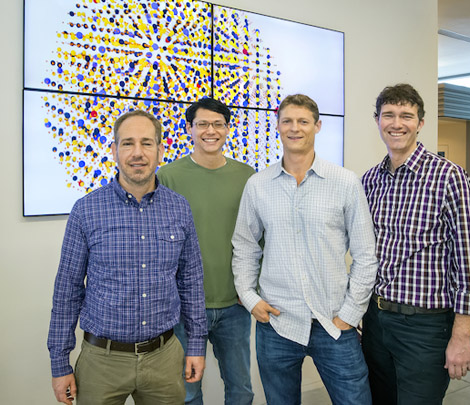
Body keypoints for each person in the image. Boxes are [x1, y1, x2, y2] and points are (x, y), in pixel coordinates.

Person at [48, 110, 208, 405]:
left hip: (165, 358)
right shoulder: (86, 210)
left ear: (161, 150)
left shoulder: (179, 209)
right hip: (101, 362)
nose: (138, 153)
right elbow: (67, 291)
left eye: (147, 143)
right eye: (128, 143)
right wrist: (60, 364)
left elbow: (191, 281)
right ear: (114, 150)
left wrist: (197, 344)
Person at [232, 94, 378, 405]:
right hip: (277, 323)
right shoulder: (258, 185)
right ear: (277, 126)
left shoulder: (345, 182)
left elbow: (366, 255)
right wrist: (249, 297)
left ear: (317, 126)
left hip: (334, 323)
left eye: (303, 121)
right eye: (287, 121)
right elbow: (245, 246)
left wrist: (350, 314)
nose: (294, 128)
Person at [361, 83, 470, 405]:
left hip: (424, 328)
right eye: (389, 115)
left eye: (406, 116)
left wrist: (461, 337)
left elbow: (469, 262)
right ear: (378, 121)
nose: (397, 123)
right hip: (376, 322)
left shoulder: (450, 178)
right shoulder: (369, 180)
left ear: (420, 123)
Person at [157, 97, 255, 405]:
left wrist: (252, 288)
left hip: (235, 305)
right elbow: (157, 242)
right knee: (187, 393)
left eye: (218, 124)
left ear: (228, 129)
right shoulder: (168, 177)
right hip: (184, 307)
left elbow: (258, 237)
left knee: (241, 389)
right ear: (189, 129)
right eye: (202, 124)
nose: (210, 131)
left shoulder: (247, 176)